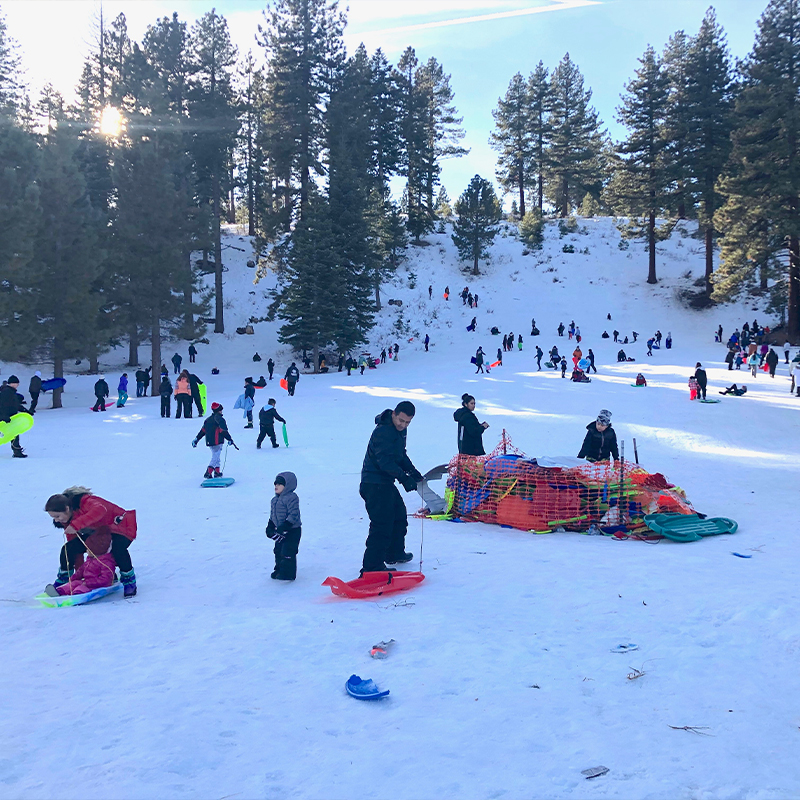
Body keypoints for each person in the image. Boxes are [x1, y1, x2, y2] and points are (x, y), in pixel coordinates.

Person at [359, 401, 422, 572]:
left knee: (399, 516)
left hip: (385, 483)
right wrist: (404, 478)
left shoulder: (399, 431)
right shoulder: (383, 431)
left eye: (407, 422)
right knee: (382, 524)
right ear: (394, 414)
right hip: (373, 484)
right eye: (401, 420)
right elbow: (384, 461)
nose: (403, 425)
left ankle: (394, 553)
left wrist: (412, 471)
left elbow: (400, 454)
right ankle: (372, 566)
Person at [45, 486, 138, 597]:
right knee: (69, 548)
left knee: (116, 549)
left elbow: (100, 510)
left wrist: (76, 525)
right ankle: (65, 580)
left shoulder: (85, 501)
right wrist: (82, 574)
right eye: (53, 518)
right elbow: (76, 545)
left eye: (57, 516)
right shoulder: (67, 519)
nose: (56, 520)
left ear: (67, 508)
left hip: (120, 526)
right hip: (98, 532)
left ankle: (129, 580)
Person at [44, 528, 117, 597]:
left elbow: (106, 579)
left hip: (96, 585)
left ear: (95, 551)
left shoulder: (106, 563)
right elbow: (81, 570)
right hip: (86, 581)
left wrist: (89, 582)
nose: (86, 551)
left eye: (88, 549)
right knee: (75, 583)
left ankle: (78, 594)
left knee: (82, 587)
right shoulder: (90, 559)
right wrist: (73, 578)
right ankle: (60, 591)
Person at [266, 472, 302, 580]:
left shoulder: (292, 498)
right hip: (281, 531)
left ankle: (288, 574)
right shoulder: (274, 500)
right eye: (275, 484)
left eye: (280, 484)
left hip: (292, 530)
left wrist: (285, 525)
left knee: (288, 551)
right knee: (278, 550)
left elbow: (293, 514)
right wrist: (270, 526)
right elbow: (273, 515)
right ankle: (279, 570)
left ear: (287, 485)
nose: (276, 486)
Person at [192, 402, 236, 479]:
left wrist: (197, 439)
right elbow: (223, 431)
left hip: (210, 441)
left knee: (216, 455)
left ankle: (217, 471)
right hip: (217, 441)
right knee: (216, 456)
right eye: (221, 410)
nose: (221, 411)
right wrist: (230, 439)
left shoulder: (208, 420)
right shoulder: (220, 420)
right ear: (218, 410)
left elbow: (203, 431)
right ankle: (208, 472)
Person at [0, 375, 28, 458]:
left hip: (10, 416)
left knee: (14, 433)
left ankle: (17, 451)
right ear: (12, 383)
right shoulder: (6, 392)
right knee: (13, 433)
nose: (17, 385)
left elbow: (15, 404)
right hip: (6, 417)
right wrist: (4, 416)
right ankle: (17, 451)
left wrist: (25, 410)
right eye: (16, 383)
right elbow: (2, 405)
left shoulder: (11, 392)